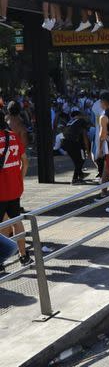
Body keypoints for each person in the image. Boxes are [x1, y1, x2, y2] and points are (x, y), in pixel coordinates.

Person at [0, 111, 31, 267]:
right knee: (16, 221)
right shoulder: (12, 136)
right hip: (14, 189)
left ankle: (1, 259)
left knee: (2, 225)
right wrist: (20, 179)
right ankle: (24, 255)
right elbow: (25, 162)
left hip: (1, 191)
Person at [62, 109, 91, 184]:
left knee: (77, 161)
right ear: (80, 115)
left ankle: (80, 175)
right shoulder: (81, 121)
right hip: (74, 143)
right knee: (81, 160)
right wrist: (88, 150)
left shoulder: (70, 122)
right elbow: (85, 136)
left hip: (66, 143)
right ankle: (75, 179)